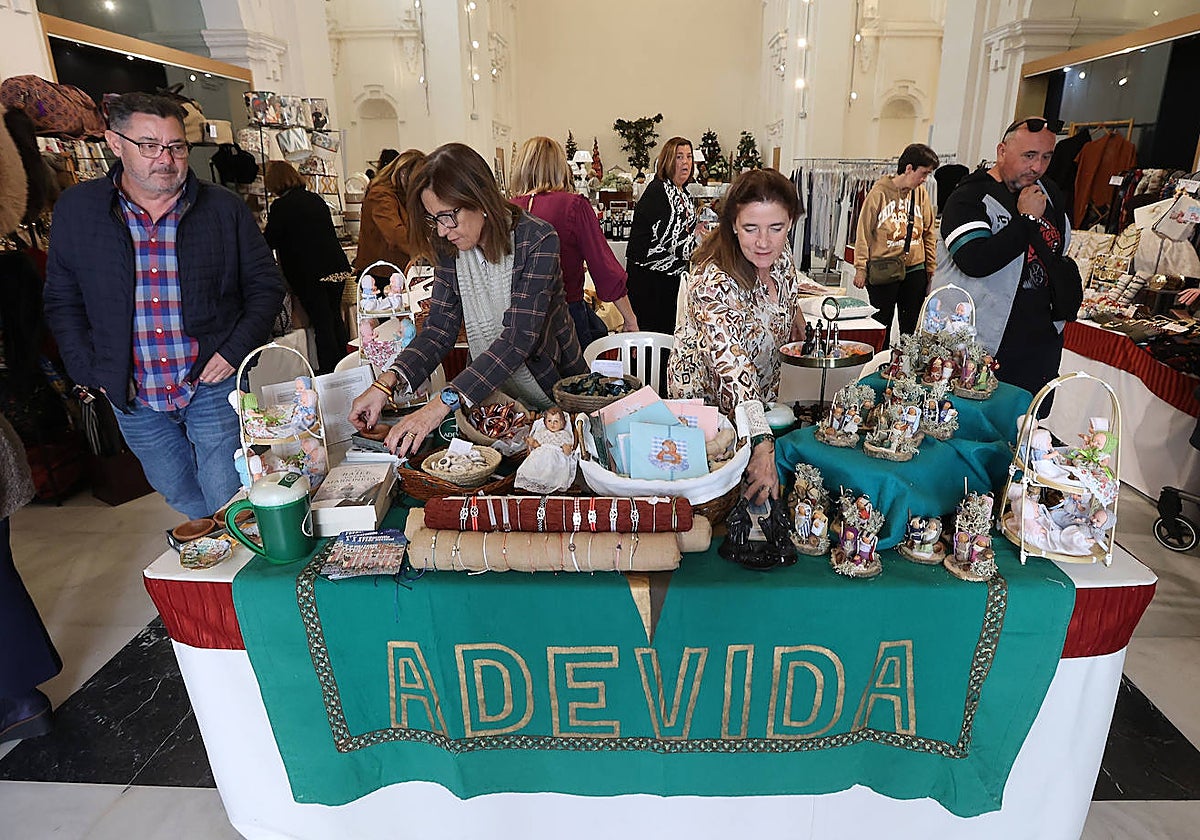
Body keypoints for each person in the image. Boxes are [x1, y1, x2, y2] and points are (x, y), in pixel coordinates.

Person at [44, 92, 283, 518]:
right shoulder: (79, 211)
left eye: (175, 147)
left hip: (211, 381)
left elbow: (266, 286)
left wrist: (232, 352)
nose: (165, 159)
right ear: (114, 143)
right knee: (175, 488)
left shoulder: (223, 209)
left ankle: (227, 566)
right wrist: (90, 369)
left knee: (225, 490)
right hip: (131, 389)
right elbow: (63, 301)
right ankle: (211, 545)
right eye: (149, 145)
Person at [348, 143, 586, 457]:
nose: (443, 231)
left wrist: (439, 405)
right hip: (492, 400)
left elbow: (517, 340)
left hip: (552, 396)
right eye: (435, 219)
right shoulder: (449, 246)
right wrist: (386, 383)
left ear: (480, 199)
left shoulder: (537, 239)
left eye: (448, 217)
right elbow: (438, 331)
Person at [666, 168, 803, 505]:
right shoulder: (714, 280)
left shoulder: (780, 258)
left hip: (757, 397)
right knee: (714, 500)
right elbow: (733, 368)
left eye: (776, 228)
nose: (763, 241)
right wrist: (761, 442)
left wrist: (794, 314)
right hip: (706, 402)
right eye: (750, 228)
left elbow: (786, 293)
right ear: (732, 226)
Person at [931, 117, 1075, 414]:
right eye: (1029, 156)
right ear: (1001, 151)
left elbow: (1058, 247)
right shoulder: (969, 196)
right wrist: (1026, 220)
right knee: (973, 425)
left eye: (1046, 156)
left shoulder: (1048, 193)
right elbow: (975, 261)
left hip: (1039, 347)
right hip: (983, 345)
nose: (1037, 167)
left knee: (1027, 425)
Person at [510, 136, 640, 348]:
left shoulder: (506, 210)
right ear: (559, 167)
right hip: (565, 317)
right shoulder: (573, 206)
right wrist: (630, 319)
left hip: (517, 321)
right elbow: (604, 267)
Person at [262, 160, 351, 374]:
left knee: (322, 324)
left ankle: (330, 372)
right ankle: (346, 366)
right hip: (336, 266)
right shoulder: (315, 199)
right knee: (335, 319)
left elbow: (269, 241)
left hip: (310, 273)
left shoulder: (281, 207)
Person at [853, 143, 939, 347]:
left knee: (911, 326)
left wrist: (931, 268)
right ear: (909, 168)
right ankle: (880, 366)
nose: (925, 179)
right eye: (923, 173)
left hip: (915, 268)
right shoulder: (879, 193)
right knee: (881, 323)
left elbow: (928, 232)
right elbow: (864, 232)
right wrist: (860, 268)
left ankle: (905, 368)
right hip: (883, 267)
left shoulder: (921, 194)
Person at [625, 137, 697, 334]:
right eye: (679, 157)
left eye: (689, 157)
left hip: (671, 276)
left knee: (669, 333)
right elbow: (675, 243)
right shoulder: (659, 191)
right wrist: (707, 245)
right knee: (653, 338)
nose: (686, 162)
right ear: (667, 160)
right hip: (651, 280)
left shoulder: (683, 192)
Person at [353, 148, 426, 278]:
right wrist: (425, 253)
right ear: (403, 174)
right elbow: (395, 233)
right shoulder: (380, 194)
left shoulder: (400, 194)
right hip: (380, 274)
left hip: (392, 271)